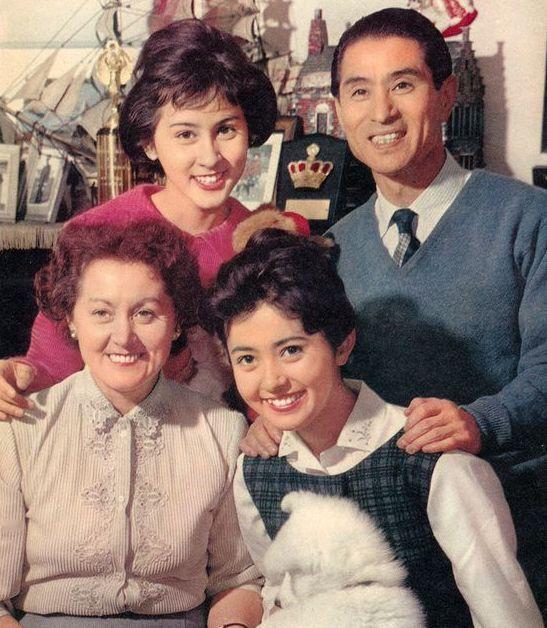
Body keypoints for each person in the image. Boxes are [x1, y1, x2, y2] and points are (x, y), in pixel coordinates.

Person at [241, 8, 547, 611]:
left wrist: (481, 422)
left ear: (446, 95)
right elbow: (320, 376)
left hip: (520, 536)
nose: (381, 112)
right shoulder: (332, 250)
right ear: (338, 109)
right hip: (386, 555)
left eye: (403, 84)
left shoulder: (528, 219)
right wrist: (278, 417)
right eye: (359, 91)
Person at [205, 228, 542, 627]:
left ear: (342, 346)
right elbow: (278, 595)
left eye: (291, 350)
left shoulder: (434, 461)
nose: (272, 380)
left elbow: (504, 614)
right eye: (247, 359)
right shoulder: (255, 470)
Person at [0, 17, 278, 417]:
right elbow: (50, 365)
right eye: (185, 134)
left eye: (226, 130)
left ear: (248, 131)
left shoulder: (261, 241)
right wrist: (18, 376)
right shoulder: (96, 232)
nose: (210, 156)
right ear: (149, 141)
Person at [0, 219, 262, 627]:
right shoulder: (21, 427)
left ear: (177, 322)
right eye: (101, 312)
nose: (123, 336)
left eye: (145, 313)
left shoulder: (222, 430)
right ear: (71, 318)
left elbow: (238, 580)